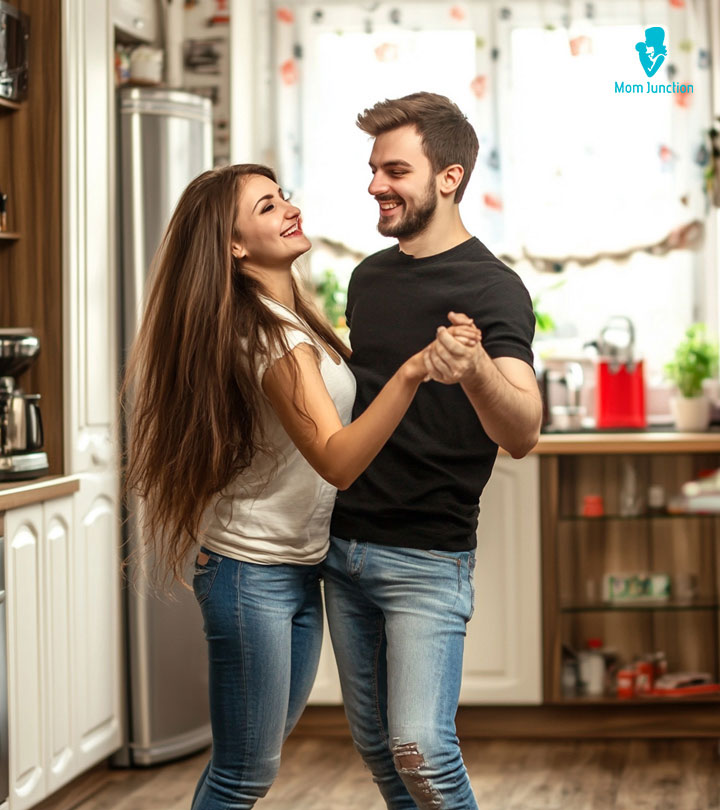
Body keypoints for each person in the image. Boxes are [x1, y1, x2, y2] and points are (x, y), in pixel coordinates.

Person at [122, 163, 480, 810]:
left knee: (255, 759)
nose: (288, 208)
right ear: (233, 246)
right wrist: (414, 371)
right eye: (265, 207)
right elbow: (337, 462)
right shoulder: (272, 335)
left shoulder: (289, 317)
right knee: (242, 774)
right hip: (250, 572)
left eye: (282, 195)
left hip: (294, 564)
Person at [324, 93, 543, 810]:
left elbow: (523, 433)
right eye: (373, 169)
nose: (375, 185)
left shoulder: (492, 287)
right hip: (343, 549)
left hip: (426, 556)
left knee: (421, 746)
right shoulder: (368, 278)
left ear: (448, 178)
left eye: (395, 169)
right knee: (384, 755)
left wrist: (475, 367)